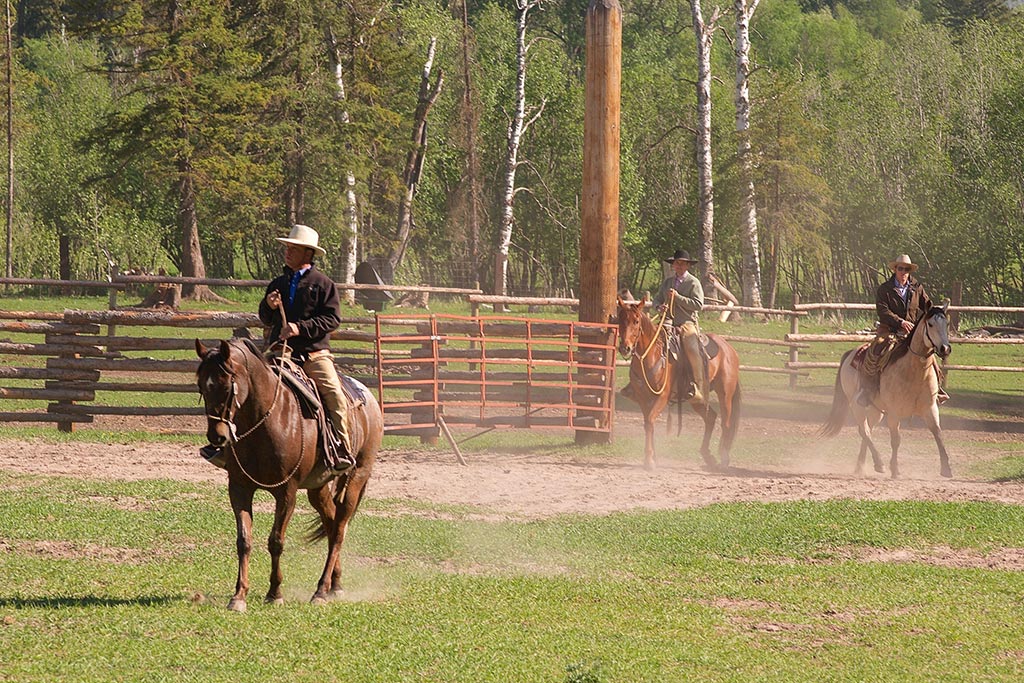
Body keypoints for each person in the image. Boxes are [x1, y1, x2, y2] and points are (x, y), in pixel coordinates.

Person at [258, 224, 354, 472]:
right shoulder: (277, 284)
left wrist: (301, 328)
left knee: (335, 395)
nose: (287, 252)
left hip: (314, 354)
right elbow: (266, 319)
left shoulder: (324, 284)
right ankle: (234, 447)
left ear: (308, 254)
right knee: (252, 385)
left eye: (294, 248)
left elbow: (332, 319)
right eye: (288, 247)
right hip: (281, 352)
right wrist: (268, 305)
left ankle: (342, 447)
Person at [856, 254, 949, 407]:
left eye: (906, 269)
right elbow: (883, 311)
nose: (903, 272)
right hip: (889, 330)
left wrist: (938, 313)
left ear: (909, 271)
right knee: (876, 350)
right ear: (895, 269)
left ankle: (936, 389)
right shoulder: (885, 289)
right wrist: (900, 322)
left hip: (912, 333)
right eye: (900, 269)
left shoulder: (916, 287)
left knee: (929, 355)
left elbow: (928, 306)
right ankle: (868, 389)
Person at [653, 248, 706, 403]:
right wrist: (659, 307)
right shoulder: (667, 282)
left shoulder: (693, 282)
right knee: (650, 342)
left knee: (692, 348)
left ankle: (697, 386)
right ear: (673, 265)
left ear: (688, 266)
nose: (679, 266)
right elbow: (657, 299)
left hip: (686, 323)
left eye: (683, 264)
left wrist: (678, 298)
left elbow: (698, 304)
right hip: (667, 321)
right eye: (677, 263)